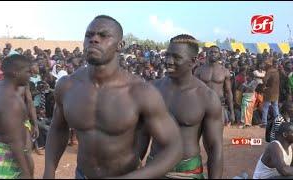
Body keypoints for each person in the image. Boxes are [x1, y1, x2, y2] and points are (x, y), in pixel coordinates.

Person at [44, 15, 183, 179]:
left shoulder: (140, 92)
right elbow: (58, 128)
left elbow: (174, 147)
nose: (94, 39)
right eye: (89, 35)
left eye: (103, 35)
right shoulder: (67, 86)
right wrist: (49, 171)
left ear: (120, 45)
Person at [149, 34, 223, 179]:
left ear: (193, 61)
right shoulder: (152, 89)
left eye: (176, 57)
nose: (169, 61)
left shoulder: (206, 97)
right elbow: (141, 136)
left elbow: (215, 147)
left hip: (188, 173)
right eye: (168, 55)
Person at [195, 45, 235, 126]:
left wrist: (232, 112)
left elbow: (228, 92)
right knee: (199, 134)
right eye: (211, 52)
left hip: (219, 105)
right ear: (207, 54)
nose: (213, 54)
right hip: (202, 105)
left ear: (219, 55)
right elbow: (194, 90)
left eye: (215, 52)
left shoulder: (224, 71)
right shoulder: (199, 70)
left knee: (217, 134)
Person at [261, 58, 280, 128]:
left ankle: (264, 123)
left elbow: (265, 80)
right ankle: (278, 122)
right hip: (276, 91)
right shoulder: (276, 71)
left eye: (266, 64)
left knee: (265, 107)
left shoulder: (269, 71)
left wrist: (263, 86)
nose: (265, 65)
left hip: (269, 91)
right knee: (275, 107)